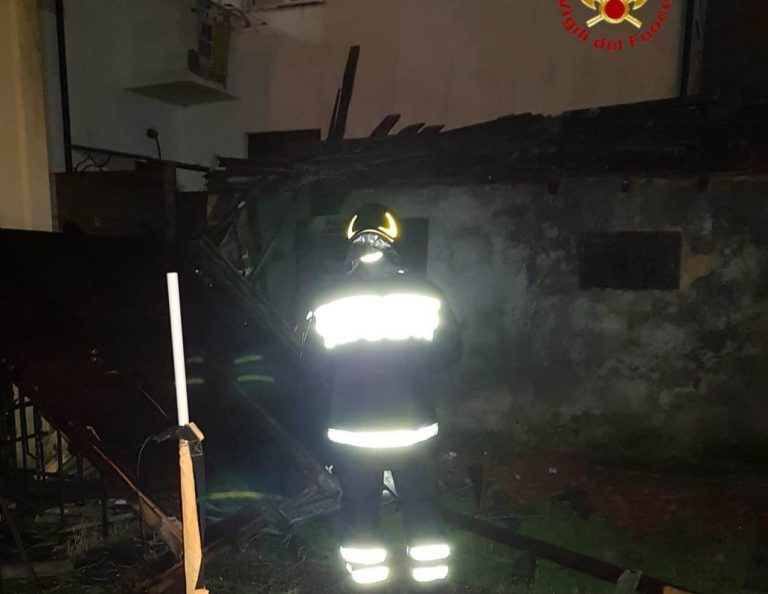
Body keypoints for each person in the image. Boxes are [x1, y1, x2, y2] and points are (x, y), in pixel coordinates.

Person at [303, 204, 461, 591]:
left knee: (360, 506)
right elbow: (449, 353)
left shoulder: (327, 299)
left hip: (354, 430)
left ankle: (369, 583)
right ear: (393, 241)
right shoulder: (426, 294)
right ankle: (431, 582)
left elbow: (313, 366)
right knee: (421, 502)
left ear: (351, 243)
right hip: (414, 428)